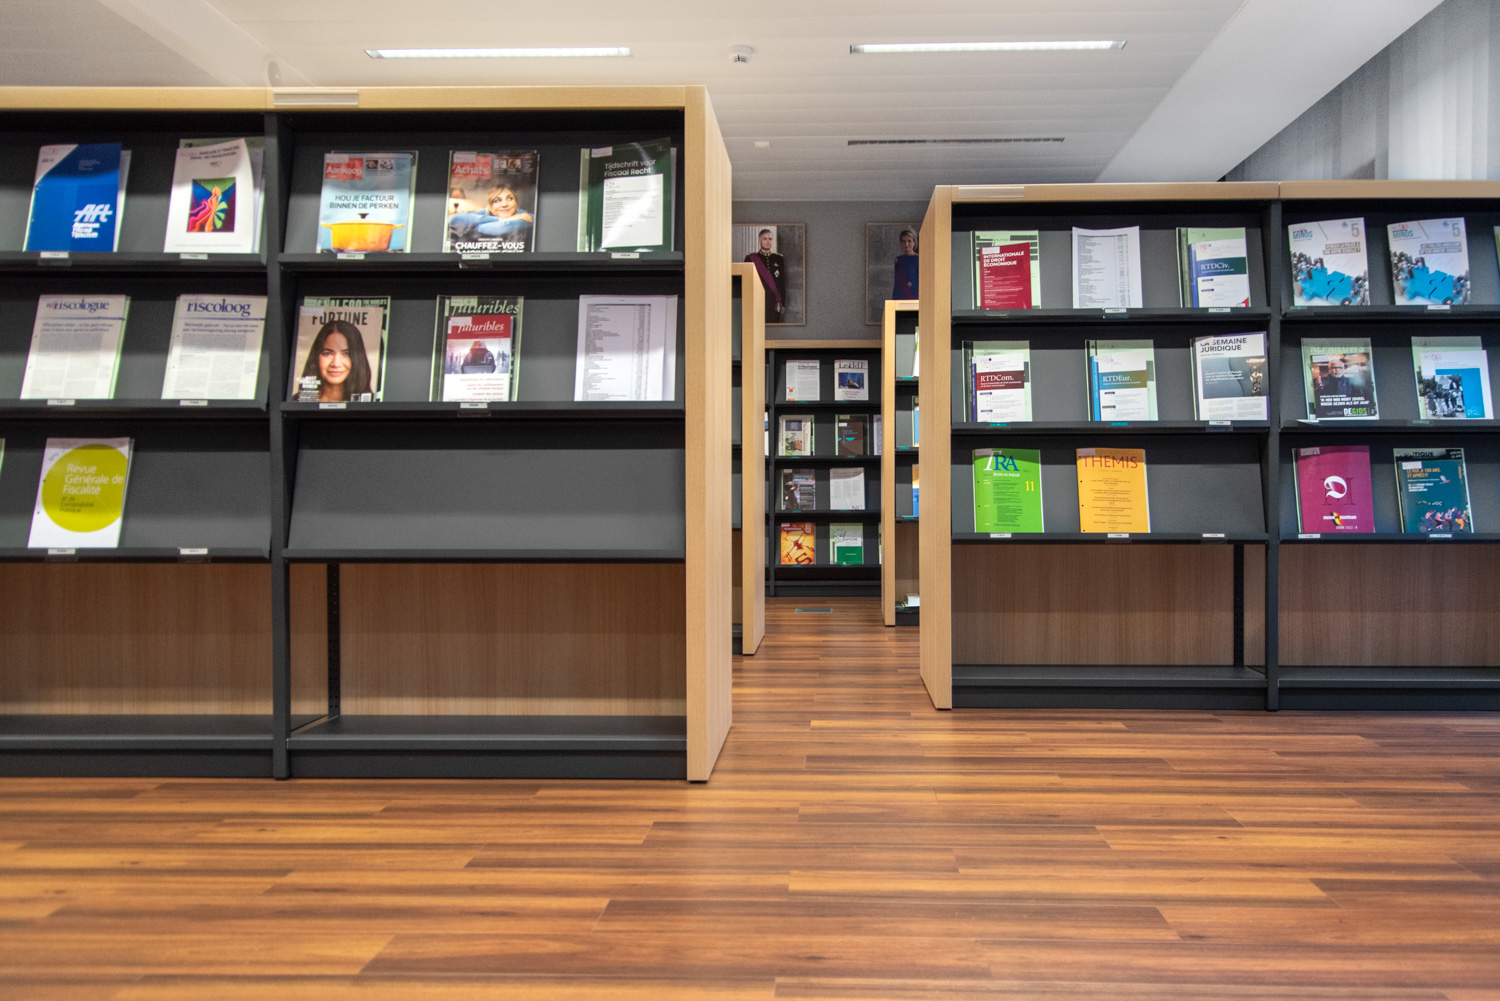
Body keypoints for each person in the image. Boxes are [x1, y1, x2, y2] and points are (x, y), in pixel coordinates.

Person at [301, 319, 374, 402]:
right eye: (328, 353)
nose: (336, 364)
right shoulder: (299, 401)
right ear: (316, 356)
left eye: (346, 354)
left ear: (358, 358)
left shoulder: (370, 403)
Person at [446, 184, 534, 247]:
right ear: (491, 205)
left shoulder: (525, 217)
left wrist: (475, 225)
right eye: (497, 200)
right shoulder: (488, 212)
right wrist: (500, 219)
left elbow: (499, 228)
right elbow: (455, 218)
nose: (504, 204)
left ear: (516, 202)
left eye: (510, 198)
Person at [745, 228, 785, 323]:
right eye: (765, 239)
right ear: (760, 240)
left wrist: (783, 302)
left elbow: (782, 282)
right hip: (757, 300)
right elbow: (746, 283)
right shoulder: (750, 258)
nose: (768, 241)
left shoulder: (779, 258)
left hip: (774, 301)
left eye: (770, 239)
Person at [892, 227, 919, 300]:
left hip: (916, 297)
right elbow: (897, 284)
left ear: (914, 242)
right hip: (901, 297)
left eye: (909, 241)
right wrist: (894, 300)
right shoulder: (898, 260)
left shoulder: (919, 259)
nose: (906, 244)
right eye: (904, 241)